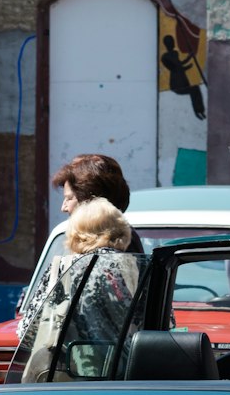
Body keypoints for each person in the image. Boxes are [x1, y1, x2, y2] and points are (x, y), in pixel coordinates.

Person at [21, 199, 140, 381]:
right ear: (122, 231)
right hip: (127, 377)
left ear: (77, 234)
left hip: (71, 379)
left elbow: (28, 333)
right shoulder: (138, 267)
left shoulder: (64, 268)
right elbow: (164, 325)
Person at [51, 153, 144, 253]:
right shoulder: (122, 240)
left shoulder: (113, 249)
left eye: (69, 198)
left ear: (92, 202)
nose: (64, 208)